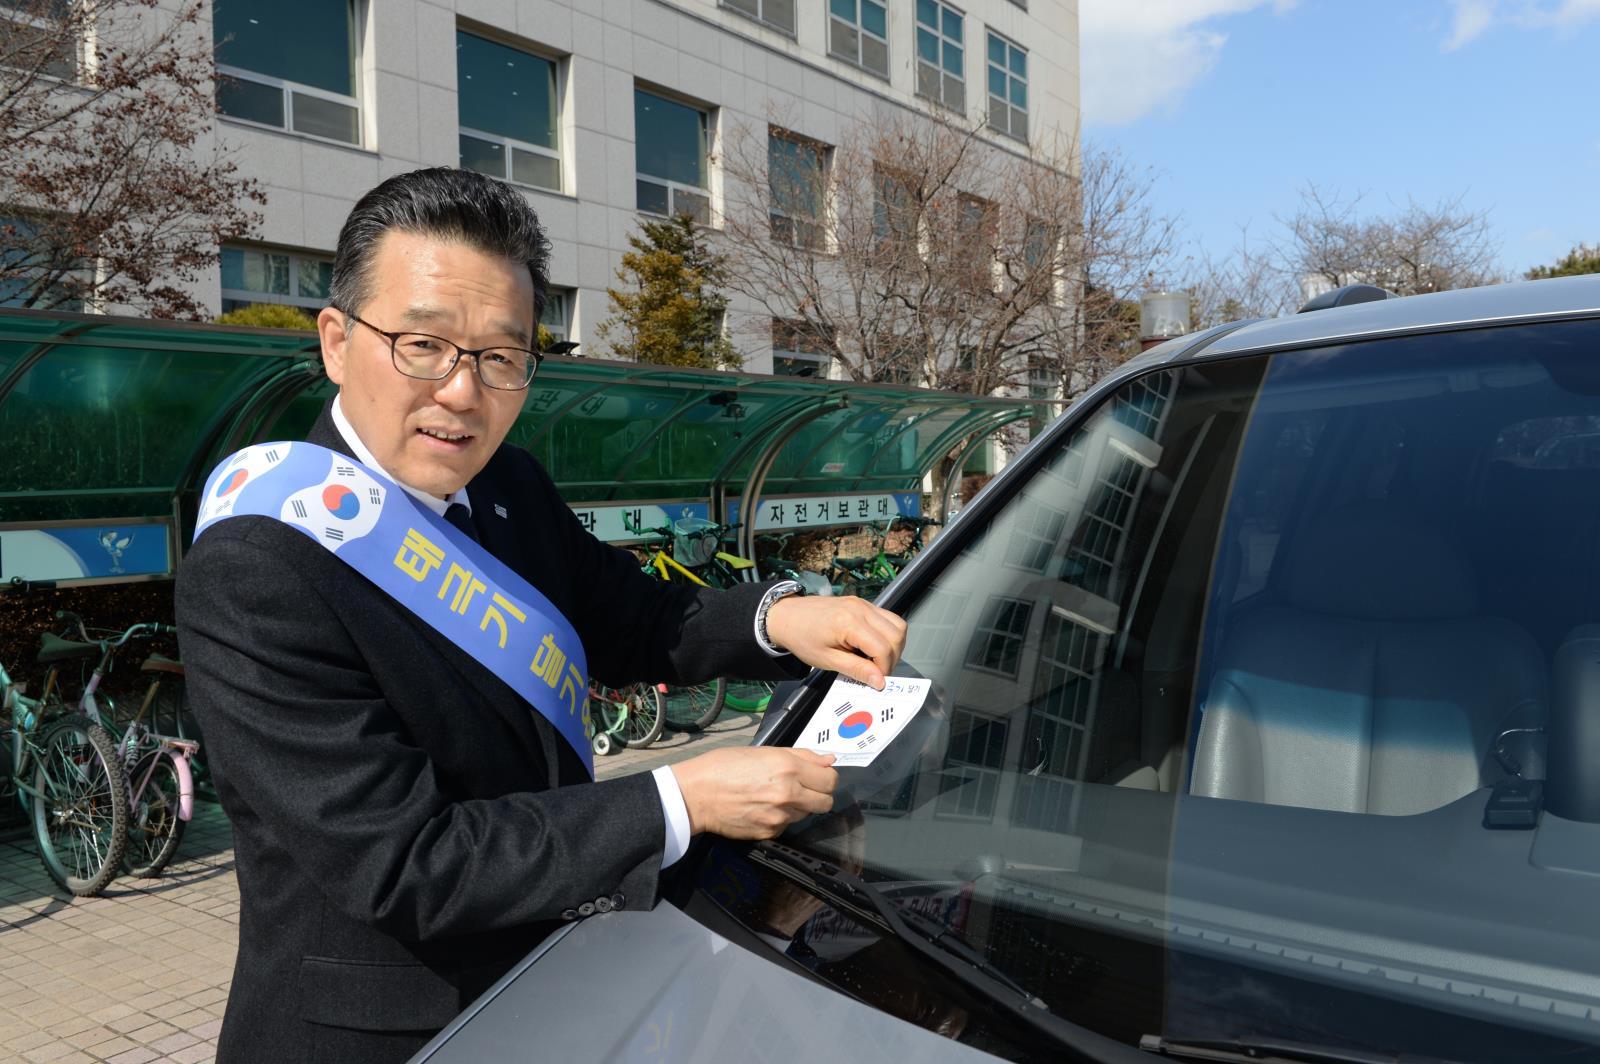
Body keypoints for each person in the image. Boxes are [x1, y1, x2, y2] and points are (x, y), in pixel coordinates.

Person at [176, 167, 908, 1064]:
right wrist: (681, 796)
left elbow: (634, 616)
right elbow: (408, 865)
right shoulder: (260, 567)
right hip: (385, 1032)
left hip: (559, 978)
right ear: (336, 341)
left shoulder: (507, 485)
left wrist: (777, 619)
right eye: (423, 344)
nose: (461, 391)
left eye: (500, 356)